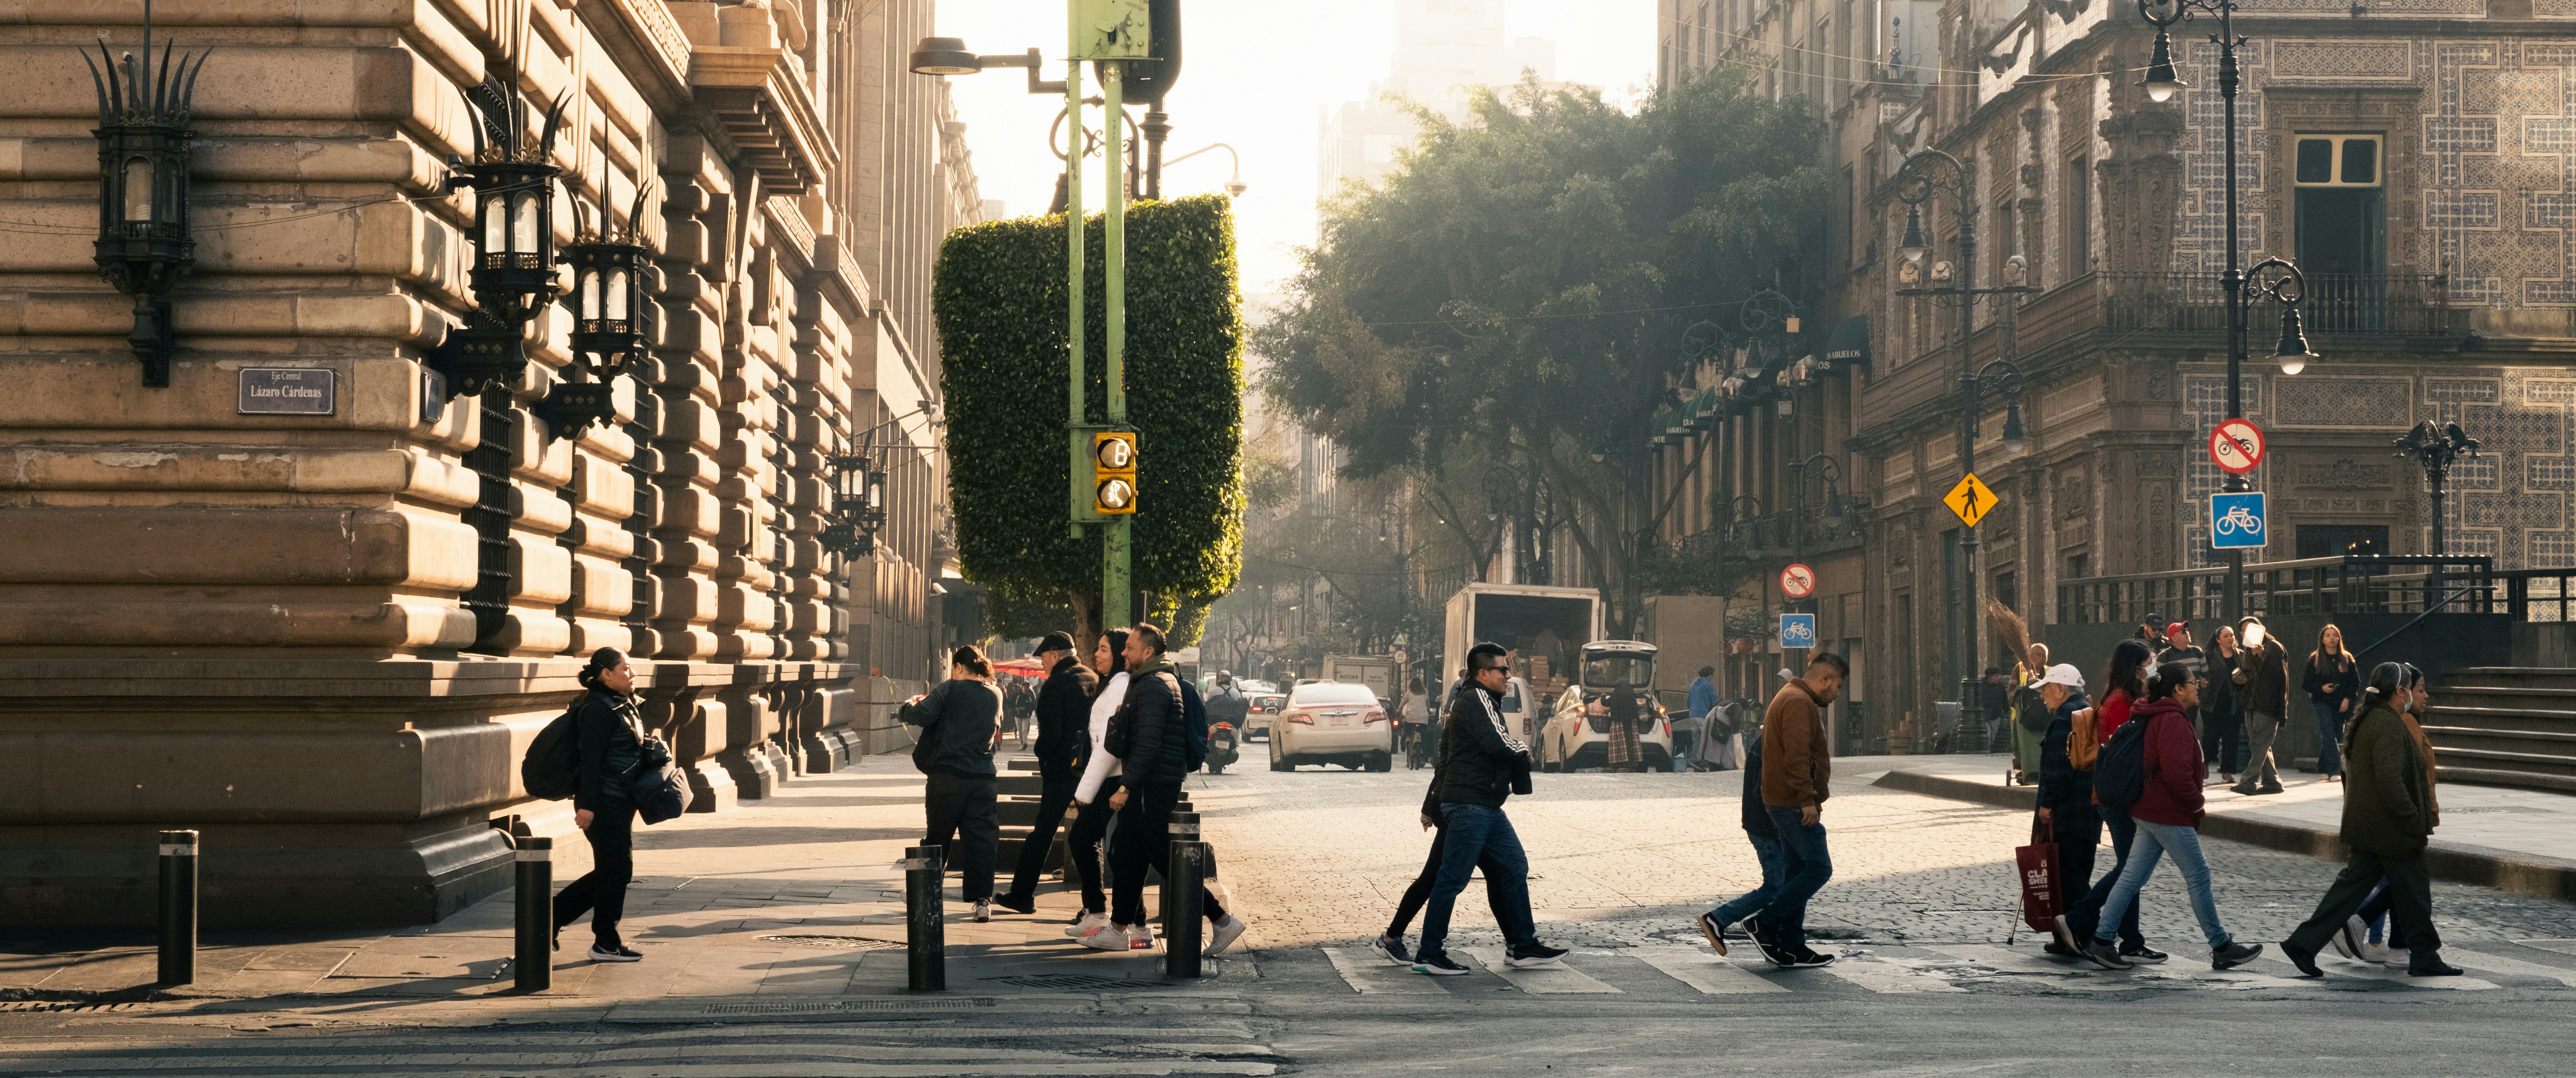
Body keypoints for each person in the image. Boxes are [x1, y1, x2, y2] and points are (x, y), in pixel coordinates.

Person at [2077, 662, 2266, 971]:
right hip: (2168, 812)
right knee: (2198, 875)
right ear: (2178, 689)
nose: (2198, 686)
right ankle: (2221, 946)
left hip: (2149, 809)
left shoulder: (2154, 713)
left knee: (2131, 876)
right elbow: (2177, 774)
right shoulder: (2173, 720)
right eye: (2192, 682)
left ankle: (2101, 940)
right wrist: (2196, 805)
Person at [2280, 662, 2463, 977]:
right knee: (2416, 888)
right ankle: (2425, 955)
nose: (2412, 693)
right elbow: (2390, 781)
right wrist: (2413, 818)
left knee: (2349, 890)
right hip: (2390, 828)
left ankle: (2303, 943)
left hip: (2370, 825)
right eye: (2409, 687)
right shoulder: (2388, 725)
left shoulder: (2372, 719)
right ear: (2400, 691)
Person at [1091, 623, 1250, 955]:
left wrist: (1126, 786)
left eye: (1130, 647)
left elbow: (1147, 746)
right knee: (1131, 856)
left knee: (1165, 859)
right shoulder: (1159, 681)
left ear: (1148, 652)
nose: (1125, 652)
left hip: (1152, 785)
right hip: (1156, 784)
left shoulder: (1151, 686)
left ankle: (1222, 919)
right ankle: (1119, 929)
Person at [1412, 641, 1567, 975]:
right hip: (1470, 804)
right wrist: (1523, 748)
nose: (1508, 675)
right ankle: (1429, 952)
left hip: (1484, 803)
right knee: (1451, 879)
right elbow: (1498, 741)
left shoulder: (1477, 699)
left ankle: (1522, 945)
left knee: (1513, 865)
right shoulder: (1478, 697)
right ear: (1483, 673)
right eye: (1503, 669)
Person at [2051, 639, 2159, 963]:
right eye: (2150, 663)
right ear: (2137, 667)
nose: (2154, 667)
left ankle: (2130, 939)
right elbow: (2124, 753)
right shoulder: (2124, 702)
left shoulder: (2119, 696)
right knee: (2130, 870)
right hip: (2119, 795)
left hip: (2116, 793)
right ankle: (2080, 918)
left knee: (2131, 869)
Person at [1748, 651, 1849, 969]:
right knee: (1819, 868)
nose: (1837, 695)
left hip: (1785, 801)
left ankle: (1791, 943)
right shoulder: (1798, 702)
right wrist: (1807, 799)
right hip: (1792, 803)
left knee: (1796, 871)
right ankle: (1764, 923)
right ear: (1826, 679)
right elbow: (1796, 757)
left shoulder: (1792, 696)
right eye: (1839, 687)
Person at [552, 647, 649, 962]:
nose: (632, 674)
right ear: (607, 674)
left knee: (612, 869)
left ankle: (549, 916)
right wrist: (588, 806)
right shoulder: (596, 708)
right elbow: (590, 762)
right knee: (617, 869)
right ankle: (604, 940)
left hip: (619, 801)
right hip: (603, 802)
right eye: (626, 668)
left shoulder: (619, 703)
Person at [996, 632, 1098, 915]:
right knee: (1087, 837)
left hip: (1062, 771)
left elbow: (1050, 733)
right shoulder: (1094, 678)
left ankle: (1022, 894)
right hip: (1090, 769)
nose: (1043, 665)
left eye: (1044, 659)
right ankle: (1093, 906)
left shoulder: (1056, 684)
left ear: (1055, 655)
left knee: (1043, 833)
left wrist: (1044, 755)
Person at [903, 646, 1006, 922]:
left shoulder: (951, 688)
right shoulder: (996, 693)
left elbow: (922, 714)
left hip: (948, 777)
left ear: (960, 667)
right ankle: (983, 900)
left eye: (953, 668)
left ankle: (924, 894)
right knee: (982, 840)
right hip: (984, 778)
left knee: (937, 837)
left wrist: (907, 707)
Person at [1694, 697, 1780, 954]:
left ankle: (1775, 933)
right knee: (1777, 885)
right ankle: (1724, 919)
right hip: (1767, 828)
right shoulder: (1770, 744)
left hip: (1766, 826)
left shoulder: (1768, 740)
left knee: (1784, 884)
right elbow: (1764, 791)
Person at [1064, 629, 1131, 942]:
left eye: (1104, 649)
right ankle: (1100, 914)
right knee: (1119, 850)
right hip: (1109, 777)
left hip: (1113, 778)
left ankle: (1102, 915)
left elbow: (1107, 745)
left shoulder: (1120, 686)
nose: (1097, 654)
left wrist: (1083, 794)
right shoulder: (1113, 685)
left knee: (1087, 840)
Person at [2029, 663, 2094, 957]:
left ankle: (2090, 931)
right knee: (2079, 869)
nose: (2043, 696)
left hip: (2067, 811)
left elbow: (2058, 768)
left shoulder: (2064, 719)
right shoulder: (2086, 710)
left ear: (2061, 688)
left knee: (2068, 874)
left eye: (2046, 690)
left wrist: (2046, 804)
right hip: (2087, 809)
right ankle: (2067, 936)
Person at [2232, 616, 2291, 795]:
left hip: (2269, 705)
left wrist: (2282, 711)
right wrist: (2239, 679)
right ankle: (2272, 782)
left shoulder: (2274, 648)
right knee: (2260, 744)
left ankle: (2248, 781)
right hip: (2251, 703)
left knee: (2259, 743)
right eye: (2243, 630)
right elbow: (2247, 676)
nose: (2246, 632)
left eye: (2251, 628)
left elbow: (2282, 680)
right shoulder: (2247, 651)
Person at [2303, 624, 2359, 782]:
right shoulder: (2315, 659)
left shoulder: (2347, 658)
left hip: (2341, 702)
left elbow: (2355, 683)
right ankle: (2336, 769)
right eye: (2328, 635)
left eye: (2335, 635)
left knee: (2336, 734)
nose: (2332, 639)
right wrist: (2321, 688)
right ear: (2322, 640)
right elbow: (2307, 684)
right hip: (2321, 700)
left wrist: (2347, 698)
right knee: (2327, 731)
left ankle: (2322, 768)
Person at [2203, 626, 2247, 786]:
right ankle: (2206, 762)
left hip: (2234, 703)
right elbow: (2204, 675)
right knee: (2211, 737)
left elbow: (2247, 675)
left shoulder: (2241, 656)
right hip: (2213, 703)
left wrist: (2242, 680)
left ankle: (2227, 772)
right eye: (2226, 636)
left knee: (2232, 739)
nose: (2230, 638)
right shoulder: (2208, 656)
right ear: (2218, 639)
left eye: (2232, 635)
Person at [2157, 622, 2207, 740]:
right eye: (2183, 632)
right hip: (2174, 702)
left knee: (2191, 727)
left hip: (2193, 700)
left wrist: (2203, 681)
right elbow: (2157, 679)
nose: (2187, 633)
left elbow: (2206, 674)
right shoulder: (2164, 657)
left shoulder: (2197, 652)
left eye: (2187, 630)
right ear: (2173, 638)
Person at [2012, 643, 2052, 786]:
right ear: (2030, 656)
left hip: (2045, 713)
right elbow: (2011, 692)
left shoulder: (2051, 671)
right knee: (2018, 744)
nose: (2042, 658)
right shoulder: (2020, 669)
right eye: (2038, 655)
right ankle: (2021, 772)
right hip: (2022, 715)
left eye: (2045, 655)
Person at [1674, 666, 1715, 773]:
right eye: (1712, 675)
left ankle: (1696, 760)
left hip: (1692, 716)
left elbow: (1688, 701)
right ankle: (1708, 762)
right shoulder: (1708, 685)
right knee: (1708, 739)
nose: (1712, 678)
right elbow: (1715, 700)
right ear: (1709, 674)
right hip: (1703, 716)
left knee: (1696, 740)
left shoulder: (1693, 685)